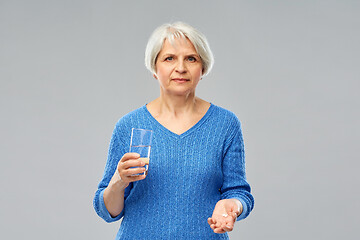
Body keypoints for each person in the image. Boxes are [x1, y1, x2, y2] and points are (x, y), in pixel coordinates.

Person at [93, 22, 254, 239]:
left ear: (203, 68)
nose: (181, 68)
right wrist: (118, 182)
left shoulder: (225, 124)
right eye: (169, 58)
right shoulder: (129, 125)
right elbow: (108, 211)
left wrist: (233, 204)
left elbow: (239, 192)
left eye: (191, 58)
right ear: (154, 68)